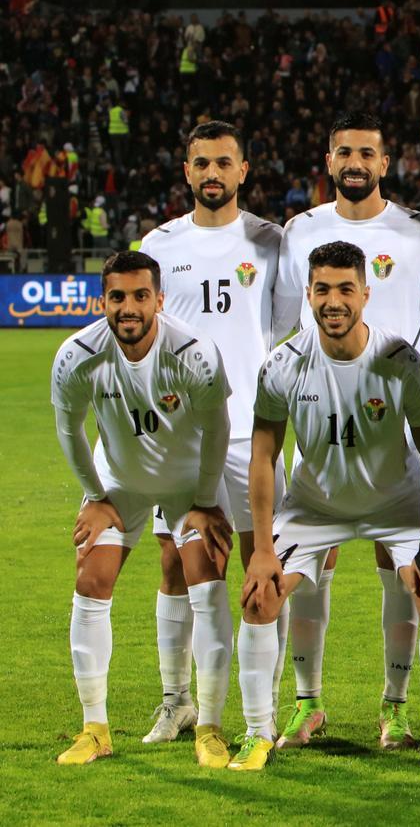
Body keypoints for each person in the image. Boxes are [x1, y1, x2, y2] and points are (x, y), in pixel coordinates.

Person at [272, 110, 420, 751]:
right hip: (323, 423)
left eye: (368, 153)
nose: (355, 162)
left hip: (400, 428)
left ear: (386, 164)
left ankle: (397, 709)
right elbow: (279, 317)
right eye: (343, 151)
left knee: (404, 571)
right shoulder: (300, 231)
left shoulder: (419, 232)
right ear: (329, 161)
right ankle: (308, 705)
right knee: (312, 561)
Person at [227, 241, 420, 774]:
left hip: (396, 504)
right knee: (260, 597)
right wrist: (263, 548)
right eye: (323, 289)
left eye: (345, 289)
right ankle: (257, 732)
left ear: (365, 293)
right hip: (314, 506)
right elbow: (262, 458)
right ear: (308, 294)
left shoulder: (401, 361)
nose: (334, 301)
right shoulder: (283, 364)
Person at [51, 251, 236, 767]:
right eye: (117, 297)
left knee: (207, 582)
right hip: (119, 487)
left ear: (158, 298)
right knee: (91, 581)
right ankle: (95, 729)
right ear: (102, 301)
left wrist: (203, 502)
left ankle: (211, 728)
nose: (127, 308)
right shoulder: (77, 354)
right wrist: (94, 496)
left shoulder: (194, 353)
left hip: (186, 488)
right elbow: (69, 429)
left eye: (139, 296)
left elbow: (218, 429)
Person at [137, 120, 288, 746]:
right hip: (183, 434)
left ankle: (264, 710)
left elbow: (279, 331)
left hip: (252, 432)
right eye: (201, 163)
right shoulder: (160, 243)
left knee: (262, 570)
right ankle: (176, 702)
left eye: (224, 163)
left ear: (244, 170)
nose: (212, 175)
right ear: (186, 170)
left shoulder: (271, 243)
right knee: (175, 564)